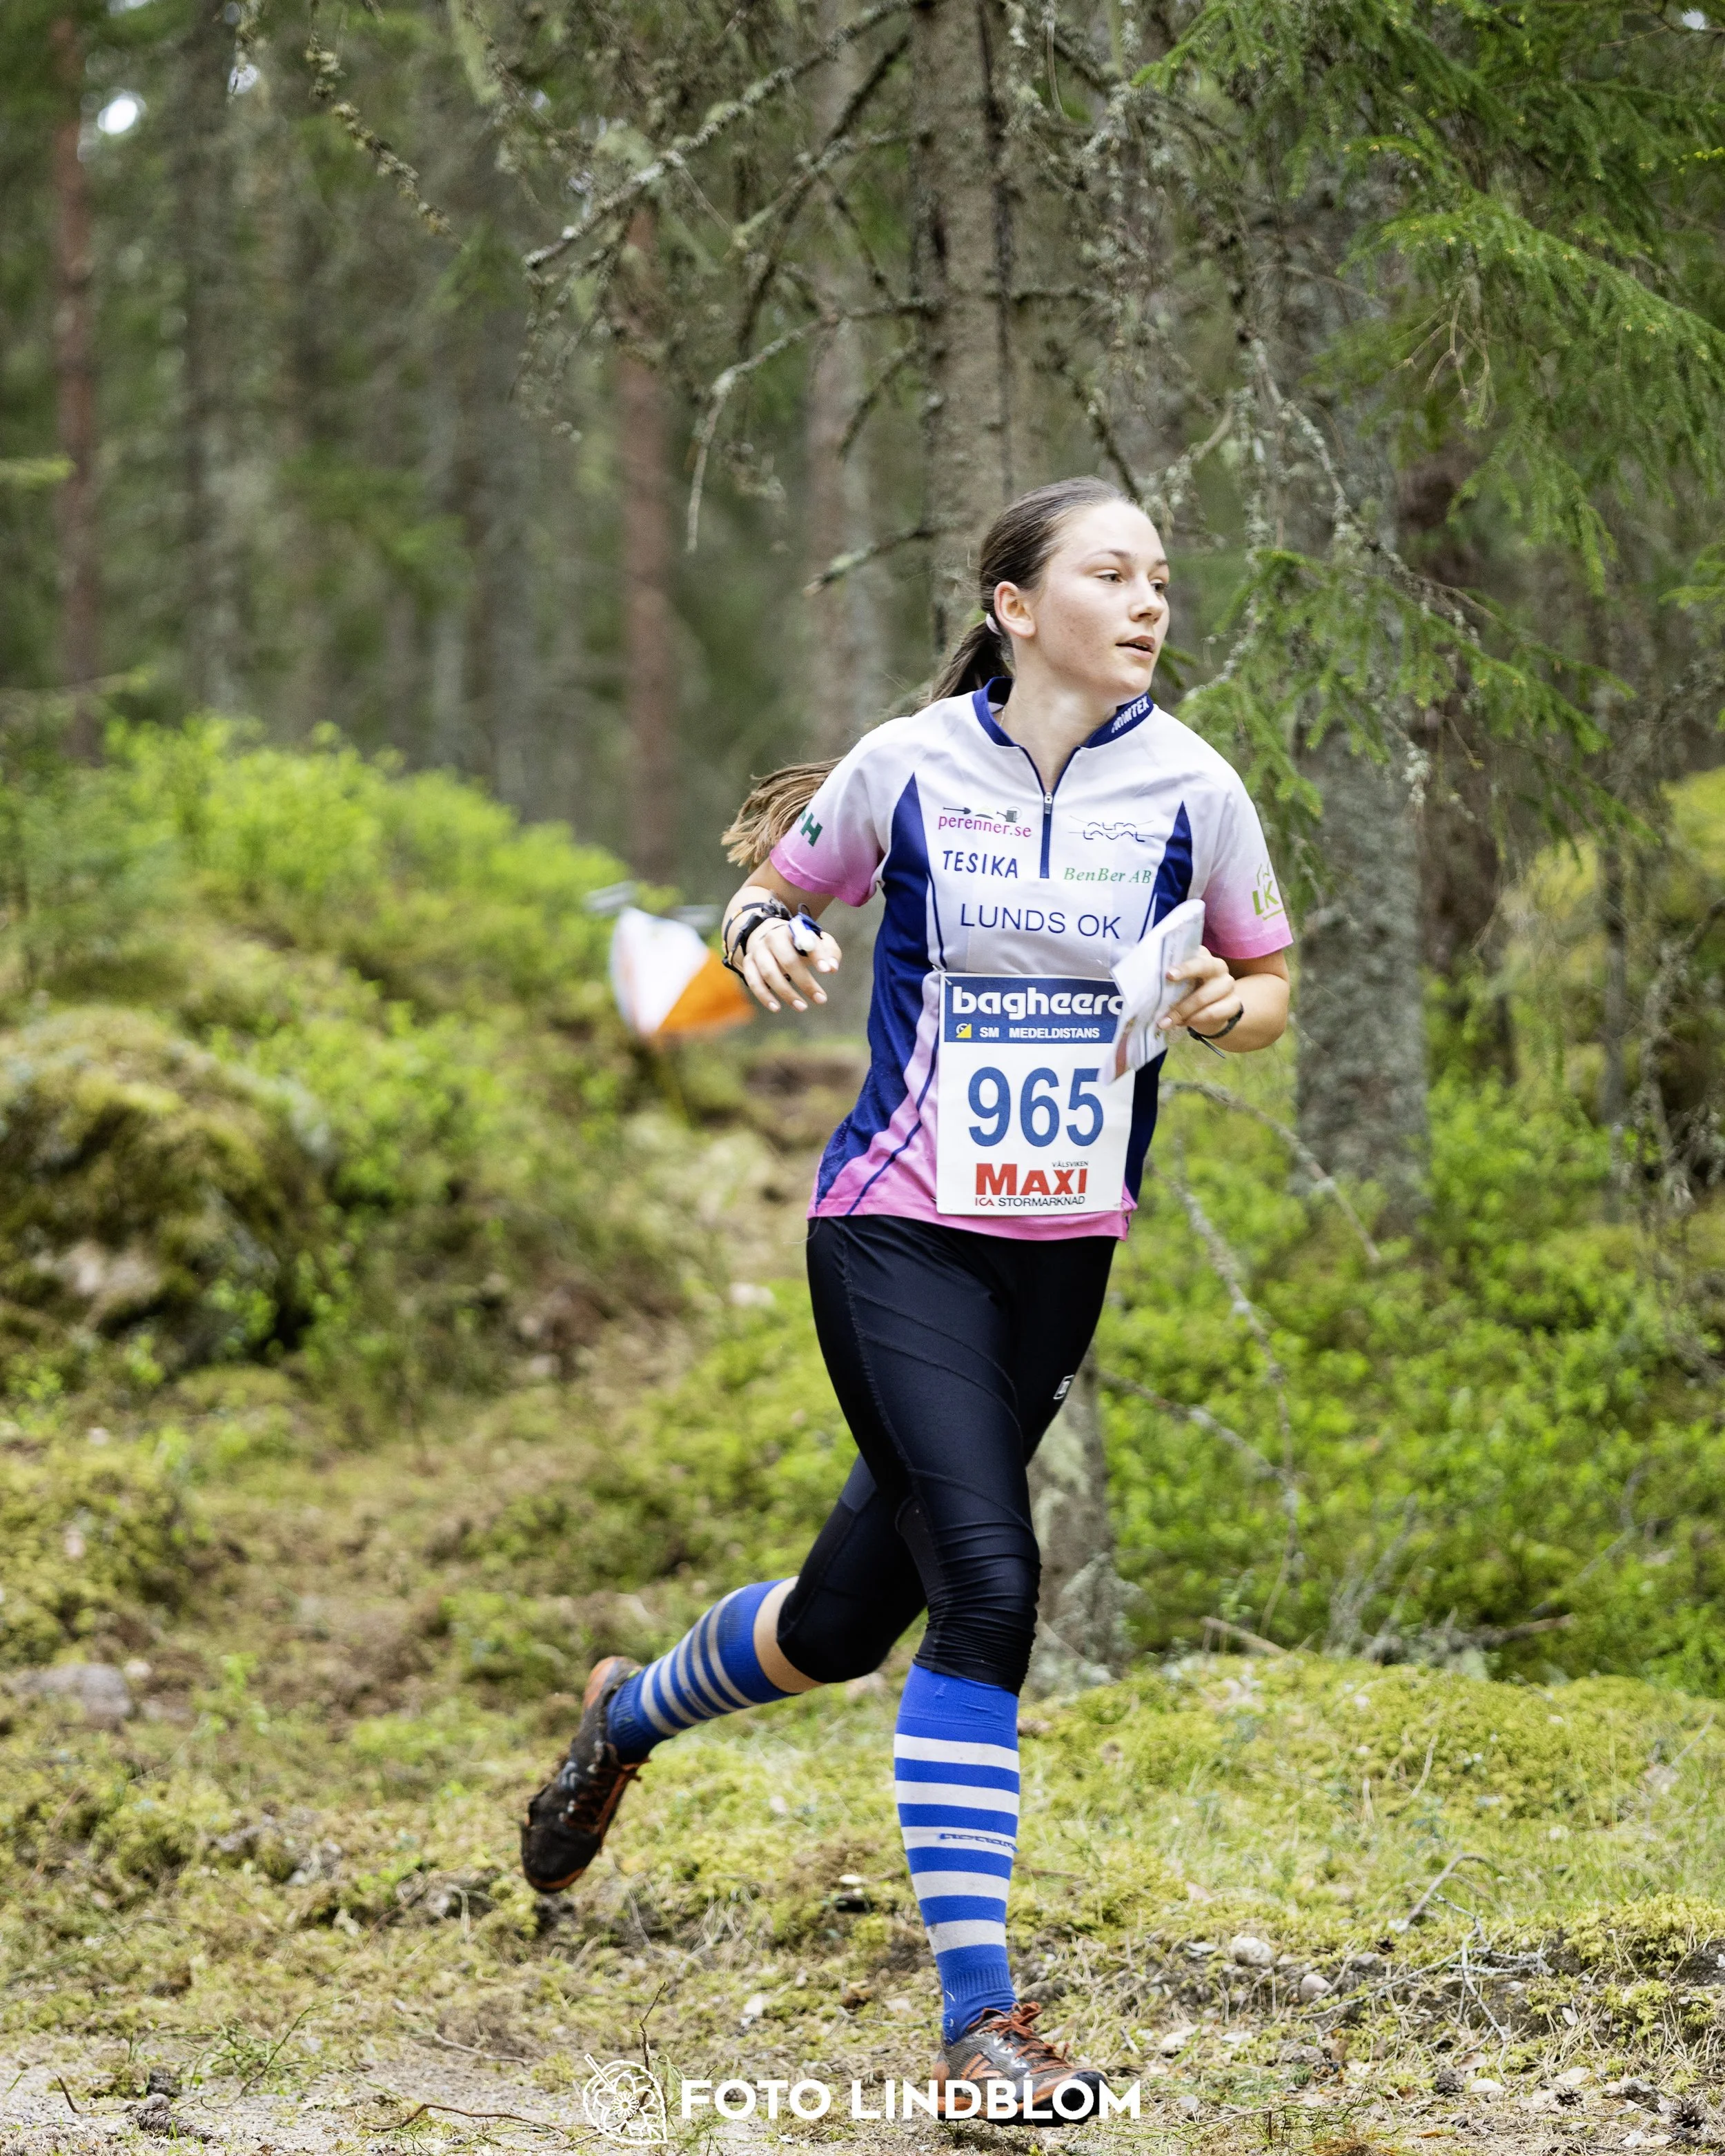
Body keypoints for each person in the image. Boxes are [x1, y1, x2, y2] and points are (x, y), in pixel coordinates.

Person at [520, 477, 1292, 2118]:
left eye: (1159, 575)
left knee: (837, 1622)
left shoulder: (1193, 786)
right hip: (894, 1227)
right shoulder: (908, 764)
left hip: (1059, 1255)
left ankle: (626, 1716)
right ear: (1017, 603)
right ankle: (980, 2029)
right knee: (991, 1586)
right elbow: (766, 902)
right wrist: (766, 936)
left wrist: (1229, 1005)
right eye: (1109, 571)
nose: (1148, 599)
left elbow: (1265, 980)